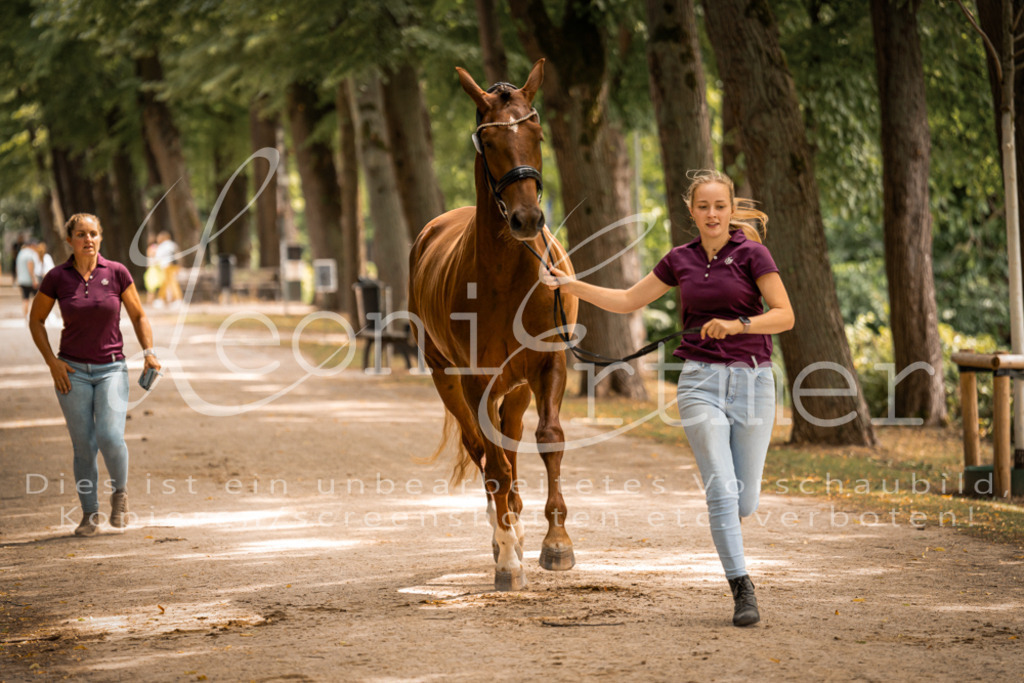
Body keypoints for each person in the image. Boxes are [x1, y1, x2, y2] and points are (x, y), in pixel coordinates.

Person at [541, 170, 795, 627]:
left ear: (730, 208)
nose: (712, 214)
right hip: (699, 382)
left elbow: (785, 316)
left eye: (720, 206)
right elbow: (626, 300)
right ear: (691, 211)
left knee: (745, 501)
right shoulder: (680, 259)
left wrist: (739, 325)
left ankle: (734, 554)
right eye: (703, 207)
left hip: (754, 383)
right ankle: (742, 589)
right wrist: (570, 286)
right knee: (721, 489)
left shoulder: (753, 254)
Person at [28, 213, 161, 537]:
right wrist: (52, 362)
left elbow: (139, 314)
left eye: (93, 234)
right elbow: (37, 321)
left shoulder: (116, 273)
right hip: (70, 371)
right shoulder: (57, 277)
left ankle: (120, 493)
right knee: (83, 446)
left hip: (111, 368)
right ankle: (89, 514)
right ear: (69, 240)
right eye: (81, 234)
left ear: (100, 238)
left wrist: (148, 352)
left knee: (110, 436)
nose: (88, 239)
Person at [154, 230, 182, 306]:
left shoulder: (162, 246)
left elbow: (157, 257)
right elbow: (178, 255)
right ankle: (164, 299)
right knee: (171, 282)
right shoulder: (173, 244)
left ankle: (174, 299)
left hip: (166, 266)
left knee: (168, 282)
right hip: (174, 266)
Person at [16, 238, 42, 317]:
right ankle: (35, 316)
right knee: (37, 299)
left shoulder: (20, 253)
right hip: (29, 281)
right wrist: (34, 279)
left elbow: (17, 267)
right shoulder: (30, 254)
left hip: (22, 280)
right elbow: (30, 267)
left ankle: (26, 316)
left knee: (25, 299)